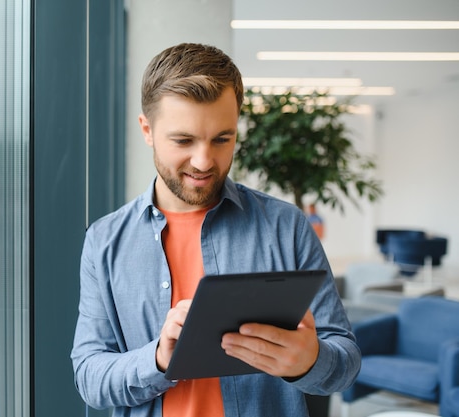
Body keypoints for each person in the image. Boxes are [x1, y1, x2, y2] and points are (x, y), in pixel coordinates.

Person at [71, 43, 361, 417]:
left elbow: (345, 362)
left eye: (222, 139)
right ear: (147, 130)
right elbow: (88, 376)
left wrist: (310, 361)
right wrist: (158, 358)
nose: (204, 161)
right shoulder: (105, 240)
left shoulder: (285, 227)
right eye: (183, 140)